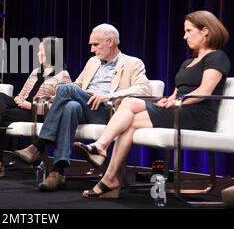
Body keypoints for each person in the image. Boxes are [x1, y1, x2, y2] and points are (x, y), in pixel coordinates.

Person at [79, 11, 230, 199]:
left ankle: (102, 152)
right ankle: (109, 177)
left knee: (130, 106)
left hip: (197, 115)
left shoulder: (217, 57)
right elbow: (178, 91)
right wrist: (168, 99)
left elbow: (204, 91)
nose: (185, 36)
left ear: (205, 31)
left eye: (189, 31)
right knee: (129, 119)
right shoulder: (188, 62)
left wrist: (176, 101)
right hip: (180, 109)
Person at [13, 24, 151, 191]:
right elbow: (77, 85)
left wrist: (110, 95)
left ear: (110, 42)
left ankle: (40, 145)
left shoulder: (132, 63)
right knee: (71, 106)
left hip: (108, 112)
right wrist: (84, 92)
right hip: (85, 107)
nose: (92, 49)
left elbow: (144, 89)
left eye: (96, 44)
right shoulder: (92, 62)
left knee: (66, 88)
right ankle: (57, 170)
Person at [0, 37, 71, 178]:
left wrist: (31, 106)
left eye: (41, 51)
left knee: (1, 120)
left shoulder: (62, 75)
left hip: (37, 113)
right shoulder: (36, 72)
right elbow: (22, 94)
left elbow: (59, 104)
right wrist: (19, 99)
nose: (37, 54)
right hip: (21, 107)